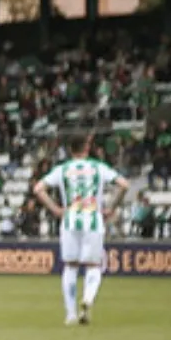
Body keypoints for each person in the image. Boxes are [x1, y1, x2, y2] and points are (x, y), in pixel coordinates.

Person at [33, 136, 126, 325]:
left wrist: (56, 209)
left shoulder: (63, 169)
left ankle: (70, 314)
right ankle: (88, 299)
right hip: (92, 218)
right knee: (93, 266)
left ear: (71, 150)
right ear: (87, 148)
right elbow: (124, 185)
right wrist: (112, 207)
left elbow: (38, 189)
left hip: (70, 221)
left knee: (70, 266)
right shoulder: (98, 167)